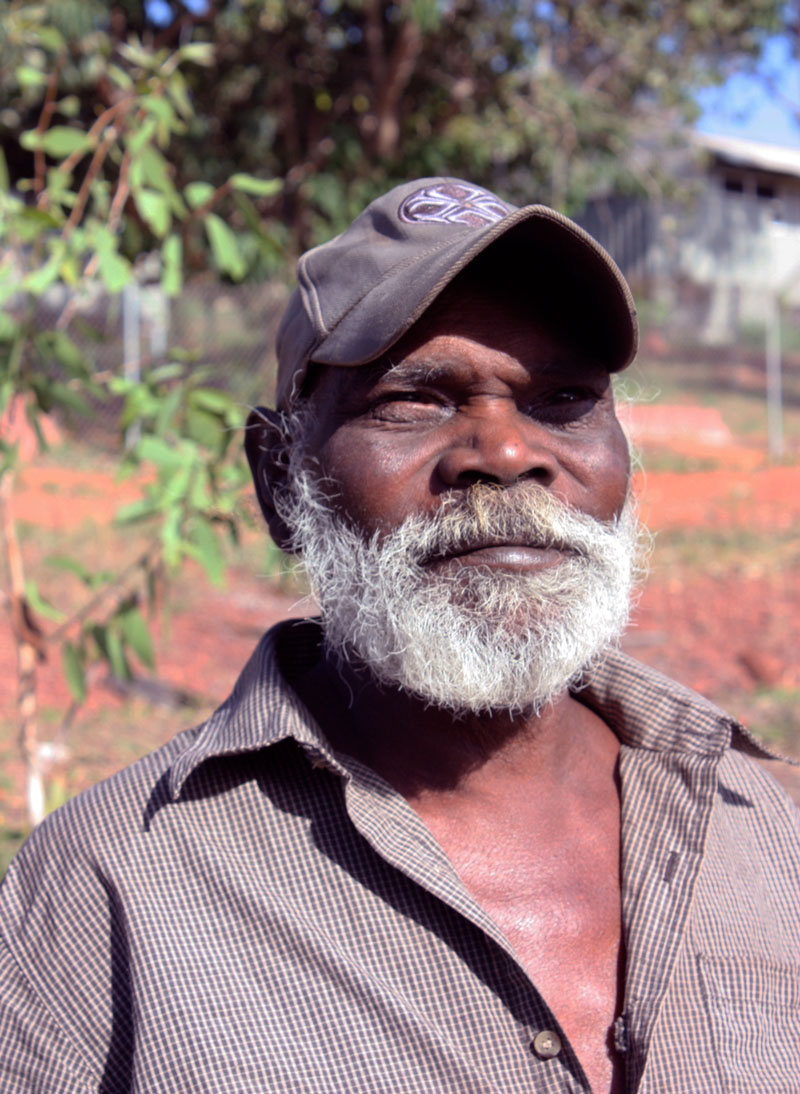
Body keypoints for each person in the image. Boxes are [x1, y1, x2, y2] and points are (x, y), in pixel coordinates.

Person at [1, 178, 798, 1093]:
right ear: (277, 479)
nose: (504, 453)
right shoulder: (110, 890)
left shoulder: (764, 825)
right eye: (412, 401)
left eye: (564, 399)